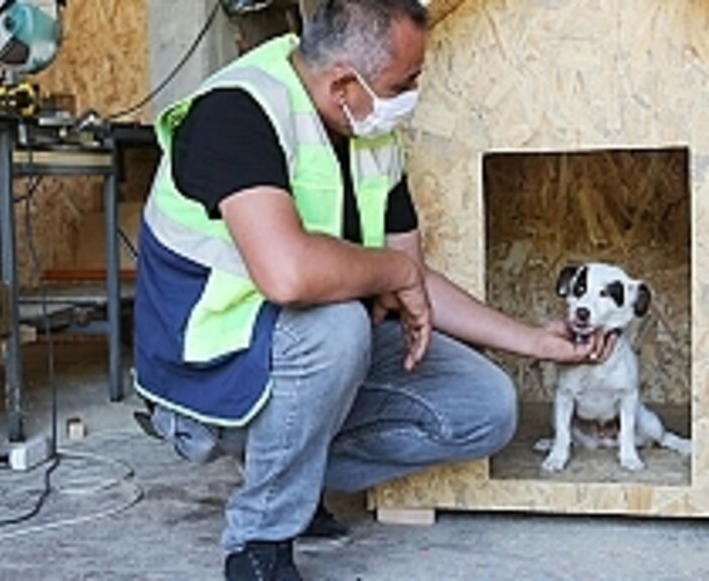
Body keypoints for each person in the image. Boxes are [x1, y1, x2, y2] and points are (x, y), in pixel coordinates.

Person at [132, 1, 614, 579]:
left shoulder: (372, 135)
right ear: (343, 84)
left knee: (485, 407)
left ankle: (287, 472)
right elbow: (289, 275)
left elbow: (411, 275)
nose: (412, 95)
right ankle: (261, 540)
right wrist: (393, 272)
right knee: (338, 326)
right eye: (403, 83)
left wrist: (535, 342)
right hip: (206, 369)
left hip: (306, 353)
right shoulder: (237, 111)